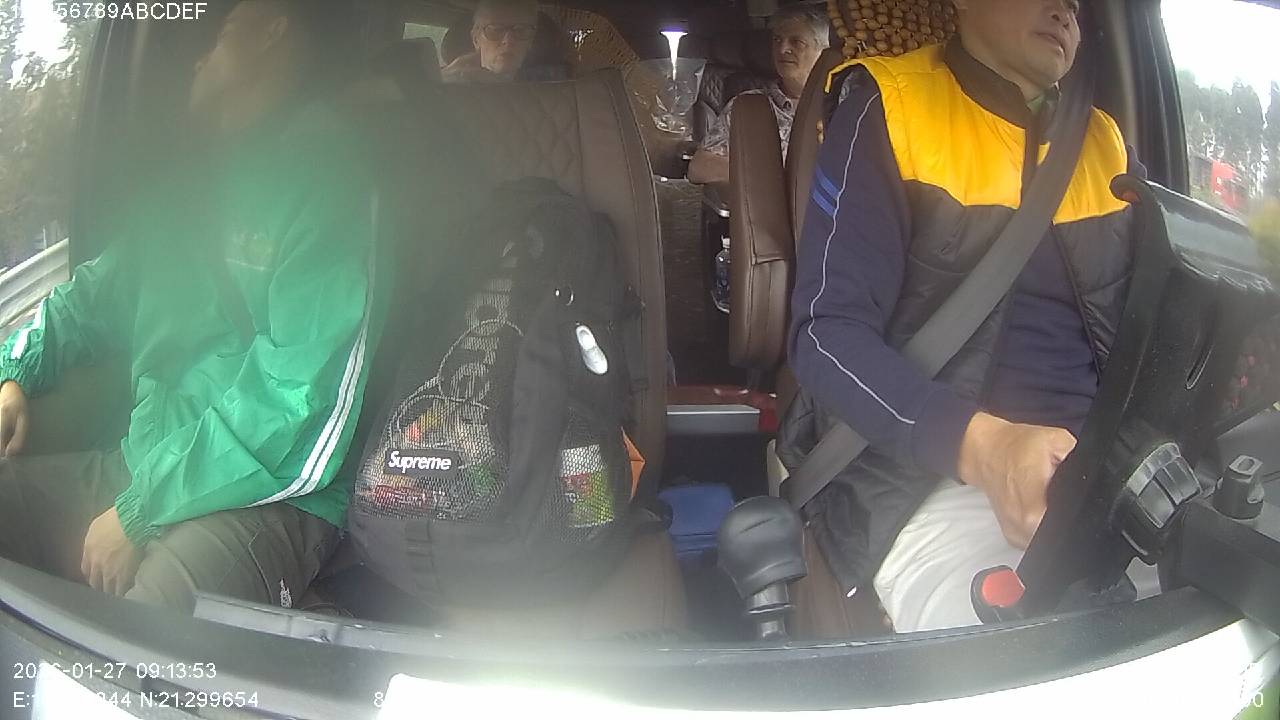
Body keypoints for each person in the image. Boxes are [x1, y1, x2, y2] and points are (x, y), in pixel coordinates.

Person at [0, 0, 384, 613]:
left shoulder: (329, 179)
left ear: (274, 30)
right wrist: (14, 371)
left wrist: (141, 510)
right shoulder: (184, 190)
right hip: (153, 463)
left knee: (148, 636)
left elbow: (301, 401)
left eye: (220, 33)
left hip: (271, 493)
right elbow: (91, 296)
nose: (198, 57)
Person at [786, 0, 1142, 635]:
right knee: (1033, 657)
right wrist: (983, 448)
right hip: (923, 479)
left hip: (1100, 475)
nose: (1066, 8)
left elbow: (1159, 321)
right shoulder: (891, 105)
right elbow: (826, 334)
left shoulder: (1105, 143)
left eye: (1078, 1)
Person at [687, 6, 829, 185]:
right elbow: (699, 168)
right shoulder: (749, 106)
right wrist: (771, 176)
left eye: (797, 42)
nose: (782, 48)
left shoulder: (842, 106)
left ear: (823, 52)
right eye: (777, 40)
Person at [442, 0, 540, 84]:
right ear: (476, 39)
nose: (508, 41)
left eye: (521, 31)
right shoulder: (449, 81)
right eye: (495, 30)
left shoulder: (545, 83)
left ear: (530, 41)